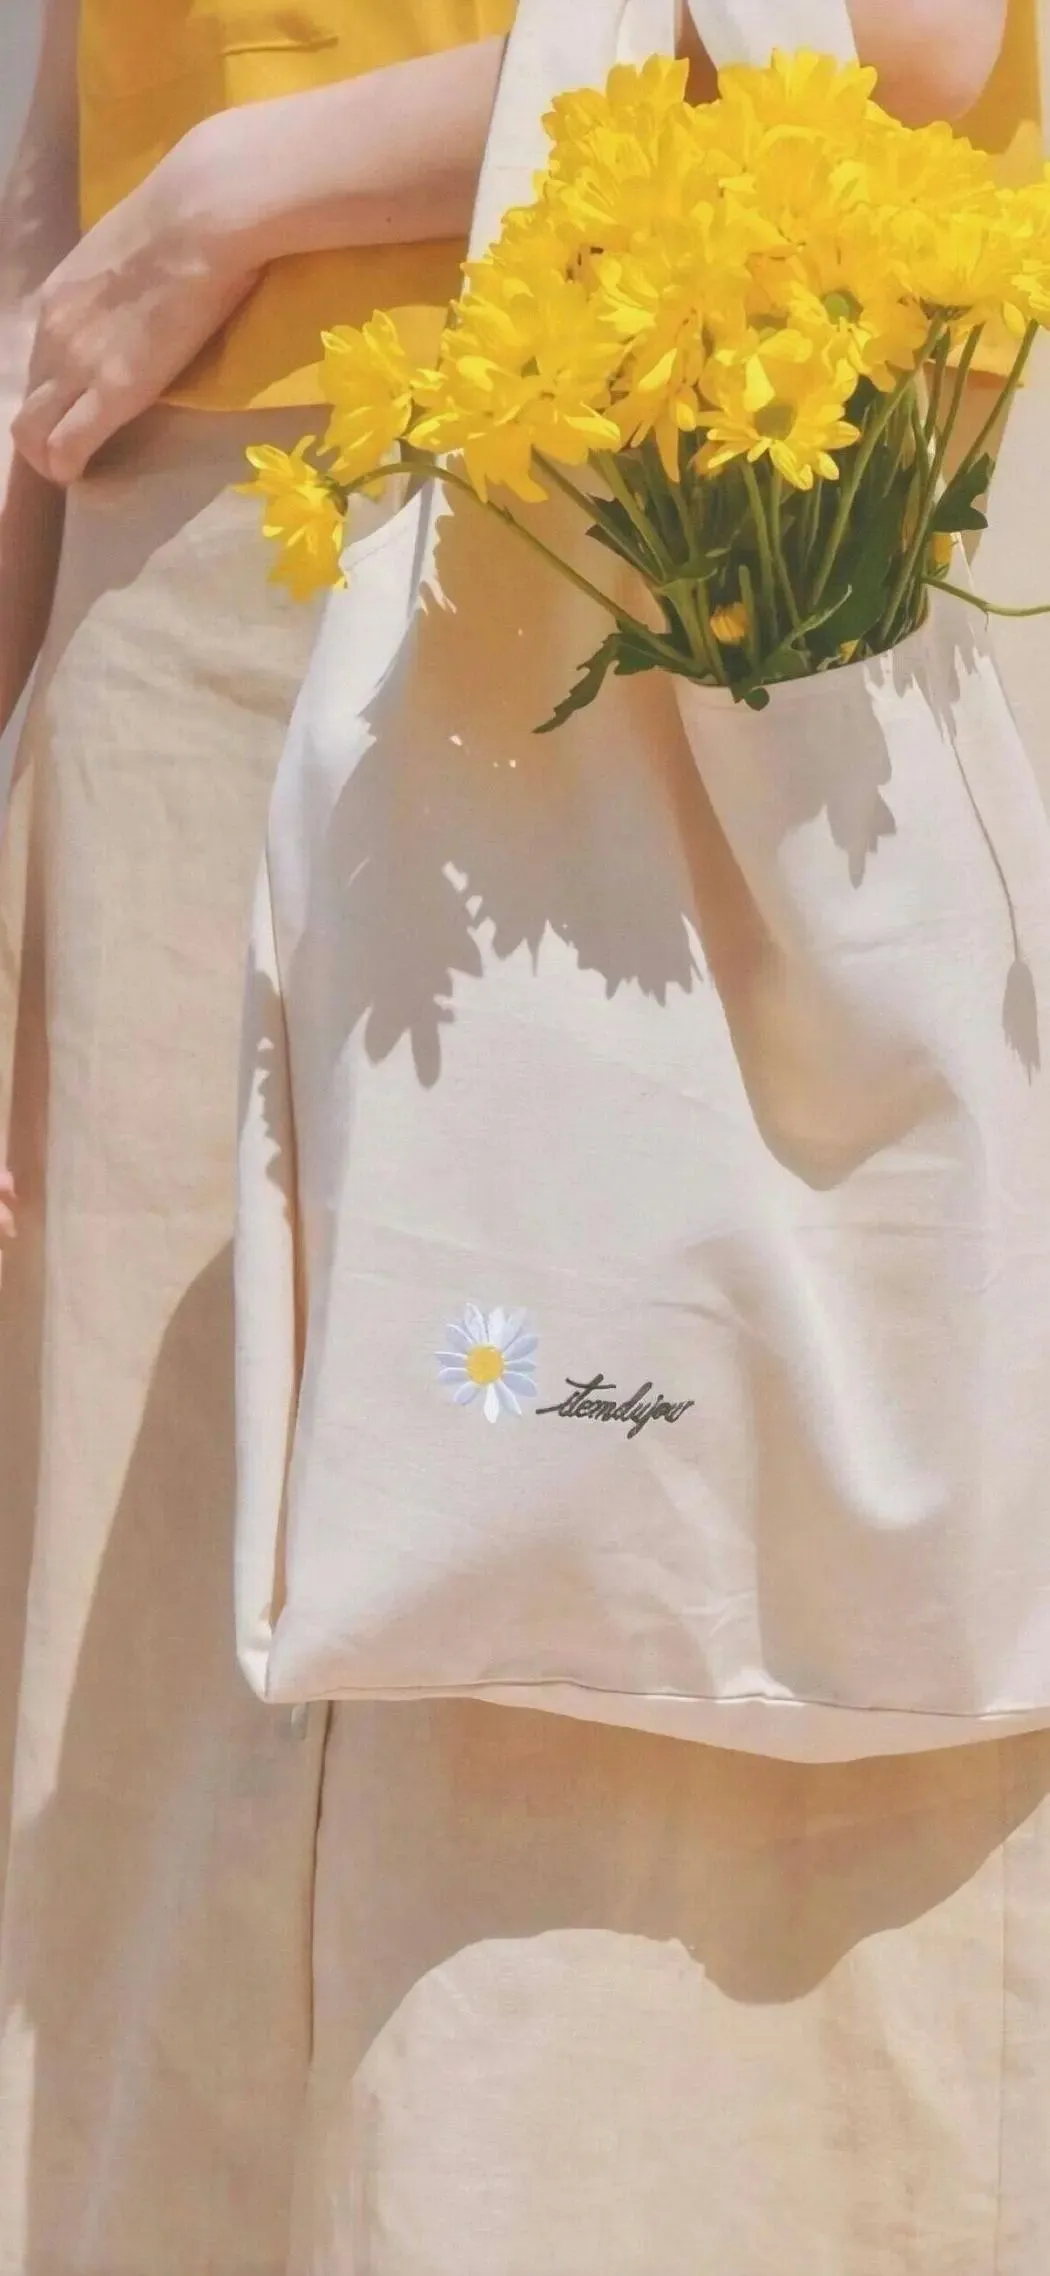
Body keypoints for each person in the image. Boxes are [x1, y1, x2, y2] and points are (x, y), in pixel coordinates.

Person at [0, 1, 1034, 2271]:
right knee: (161, 1780)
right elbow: (64, 186)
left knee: (616, 1795)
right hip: (185, 549)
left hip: (711, 496)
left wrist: (239, 194)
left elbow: (902, 35)